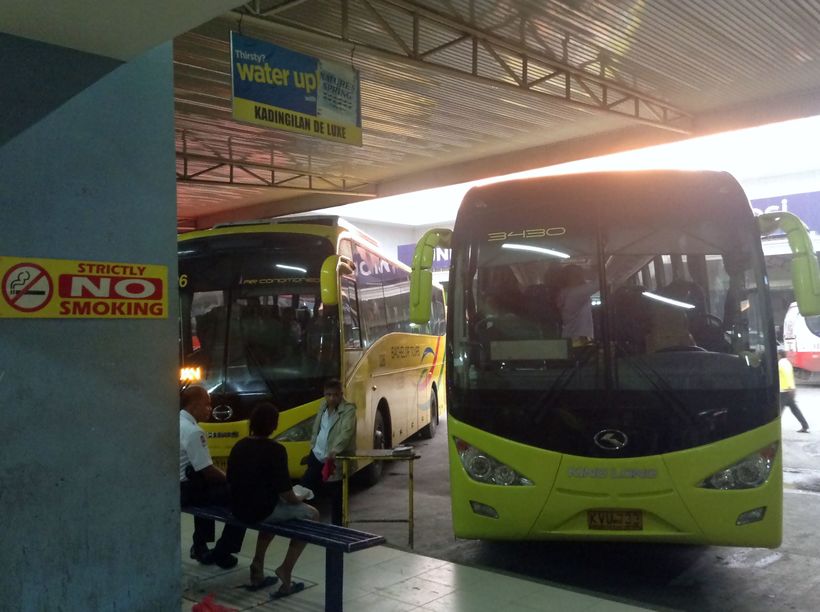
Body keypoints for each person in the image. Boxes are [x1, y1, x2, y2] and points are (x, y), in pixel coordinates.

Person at [227, 402, 319, 597]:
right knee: (313, 514)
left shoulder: (239, 446)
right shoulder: (276, 450)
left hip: (237, 508)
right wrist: (301, 497)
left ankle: (258, 563)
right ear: (274, 425)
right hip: (261, 511)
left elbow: (231, 479)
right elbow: (287, 494)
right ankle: (286, 569)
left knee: (272, 508)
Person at [179, 386, 245, 568]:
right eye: (207, 404)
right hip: (186, 491)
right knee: (242, 498)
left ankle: (200, 546)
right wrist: (232, 480)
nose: (210, 409)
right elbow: (207, 470)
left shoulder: (176, 422)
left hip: (177, 487)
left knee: (208, 490)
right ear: (194, 405)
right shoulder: (193, 431)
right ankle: (224, 551)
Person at [299, 378, 357, 525]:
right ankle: (303, 522)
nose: (331, 398)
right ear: (324, 394)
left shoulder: (348, 410)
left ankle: (337, 528)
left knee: (337, 498)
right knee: (304, 488)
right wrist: (313, 446)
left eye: (335, 395)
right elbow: (317, 428)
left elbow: (346, 433)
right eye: (328, 394)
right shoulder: (323, 406)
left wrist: (335, 450)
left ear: (341, 394)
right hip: (317, 455)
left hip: (335, 459)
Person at [556, 264, 597, 341]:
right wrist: (594, 270)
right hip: (581, 339)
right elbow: (601, 282)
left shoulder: (564, 293)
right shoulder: (576, 293)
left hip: (569, 337)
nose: (581, 278)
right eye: (577, 275)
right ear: (569, 278)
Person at [779, 349, 810, 433]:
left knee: (778, 411)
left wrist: (790, 387)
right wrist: (792, 388)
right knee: (795, 409)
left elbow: (787, 375)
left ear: (779, 355)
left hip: (784, 390)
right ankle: (805, 426)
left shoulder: (782, 363)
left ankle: (773, 428)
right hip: (788, 390)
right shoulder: (787, 362)